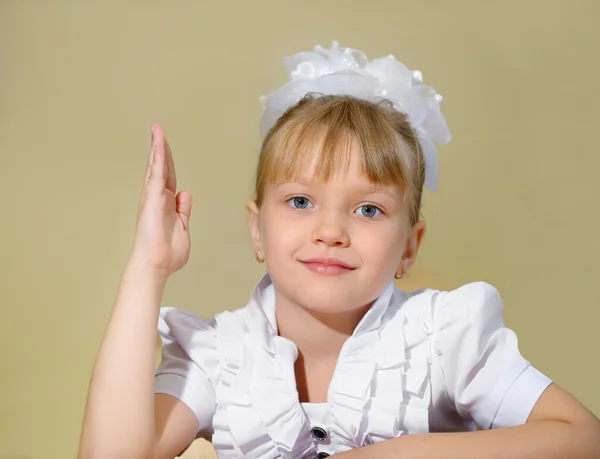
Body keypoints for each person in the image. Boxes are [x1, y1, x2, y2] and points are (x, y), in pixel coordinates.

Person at [78, 42, 600, 459]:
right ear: (257, 231)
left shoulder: (443, 338)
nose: (330, 231)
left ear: (408, 248)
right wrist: (149, 267)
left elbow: (581, 438)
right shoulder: (220, 357)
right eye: (301, 200)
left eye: (368, 210)